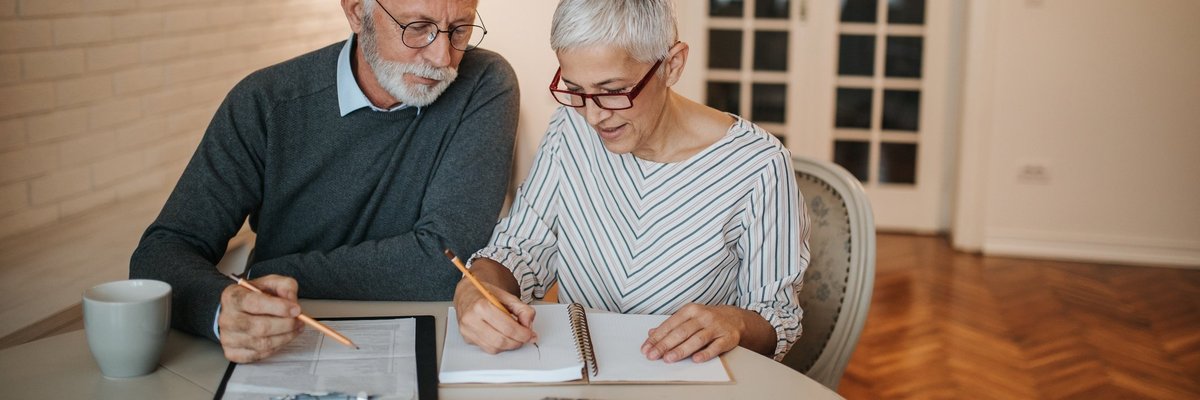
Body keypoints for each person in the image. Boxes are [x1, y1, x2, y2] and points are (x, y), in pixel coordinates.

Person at [130, 0, 518, 363]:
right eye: (417, 27)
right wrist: (222, 307)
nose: (443, 57)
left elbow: (446, 262)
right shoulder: (265, 103)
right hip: (279, 350)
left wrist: (266, 275)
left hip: (430, 347)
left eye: (460, 29)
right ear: (355, 12)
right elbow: (159, 254)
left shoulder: (483, 83)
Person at [453, 0, 809, 364]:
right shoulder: (569, 127)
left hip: (686, 382)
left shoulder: (759, 165)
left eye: (613, 91)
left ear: (672, 65)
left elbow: (776, 316)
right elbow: (521, 248)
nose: (593, 116)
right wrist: (475, 286)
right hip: (581, 378)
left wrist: (735, 322)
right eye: (575, 89)